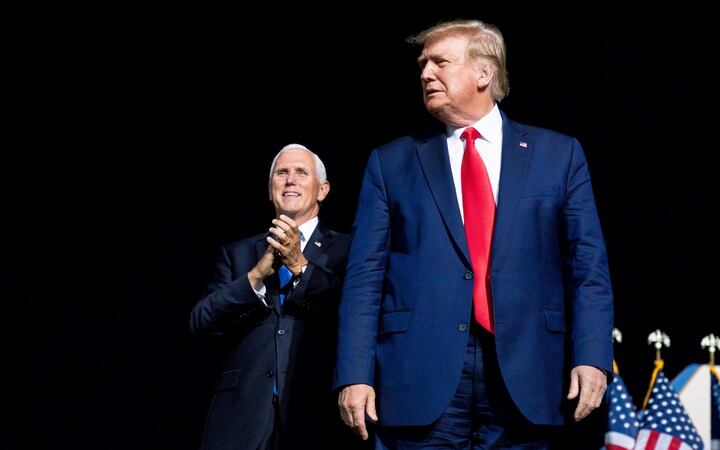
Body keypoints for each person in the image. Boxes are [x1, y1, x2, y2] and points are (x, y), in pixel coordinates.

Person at [335, 19, 613, 449]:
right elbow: (364, 277)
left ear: (484, 74)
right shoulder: (391, 163)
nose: (425, 73)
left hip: (529, 370)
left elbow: (588, 268)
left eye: (440, 62)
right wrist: (354, 373)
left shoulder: (559, 154)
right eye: (423, 64)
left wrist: (593, 358)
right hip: (419, 373)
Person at [191, 144, 362, 449]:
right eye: (282, 173)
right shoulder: (238, 254)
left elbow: (355, 315)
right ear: (270, 191)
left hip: (317, 413)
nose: (290, 180)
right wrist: (255, 277)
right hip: (242, 416)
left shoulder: (349, 251)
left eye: (301, 172)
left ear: (322, 190)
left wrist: (300, 266)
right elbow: (202, 321)